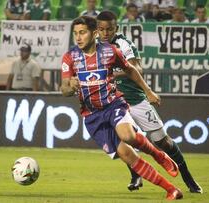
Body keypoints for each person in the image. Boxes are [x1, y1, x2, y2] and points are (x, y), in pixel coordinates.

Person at [61, 16, 183, 200]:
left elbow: (131, 70)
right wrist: (70, 86)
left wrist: (148, 91)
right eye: (75, 34)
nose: (78, 38)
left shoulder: (111, 51)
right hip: (92, 115)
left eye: (82, 33)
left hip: (113, 104)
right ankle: (171, 189)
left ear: (94, 34)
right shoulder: (70, 57)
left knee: (127, 135)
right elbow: (64, 90)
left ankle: (159, 155)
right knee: (127, 155)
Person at [96, 11, 202, 193]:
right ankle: (136, 176)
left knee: (162, 142)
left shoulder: (123, 44)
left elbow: (136, 67)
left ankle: (187, 177)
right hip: (114, 103)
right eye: (101, 29)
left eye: (109, 29)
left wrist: (146, 90)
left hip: (136, 100)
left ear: (117, 28)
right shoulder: (93, 48)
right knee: (124, 141)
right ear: (97, 29)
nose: (105, 33)